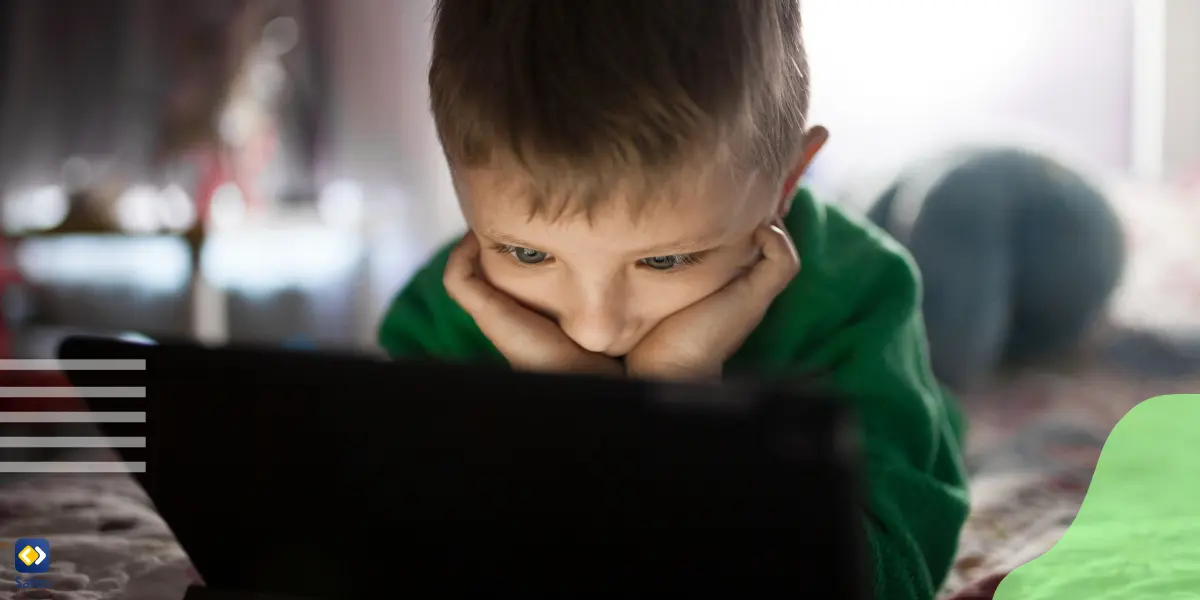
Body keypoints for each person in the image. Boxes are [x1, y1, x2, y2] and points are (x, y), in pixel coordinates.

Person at [378, 1, 967, 597]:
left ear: (787, 185)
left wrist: (678, 401)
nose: (594, 332)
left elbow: (890, 577)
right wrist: (578, 406)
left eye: (664, 260)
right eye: (528, 254)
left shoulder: (860, 294)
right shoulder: (445, 310)